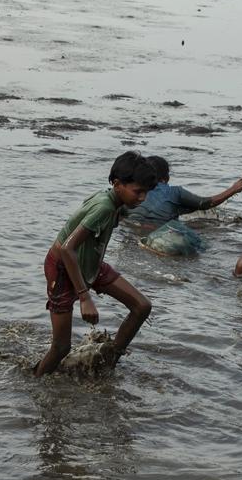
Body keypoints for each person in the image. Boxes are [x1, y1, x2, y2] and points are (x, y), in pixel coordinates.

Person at [35, 151, 160, 375]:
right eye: (138, 192)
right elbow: (67, 248)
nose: (142, 198)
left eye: (146, 193)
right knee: (61, 347)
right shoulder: (104, 206)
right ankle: (35, 383)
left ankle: (108, 360)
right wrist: (84, 297)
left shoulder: (117, 203)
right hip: (64, 269)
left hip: (90, 264)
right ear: (118, 184)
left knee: (142, 306)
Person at [127, 157, 242, 228]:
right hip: (157, 232)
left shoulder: (133, 193)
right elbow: (205, 203)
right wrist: (233, 189)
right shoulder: (175, 192)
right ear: (166, 178)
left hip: (131, 228)